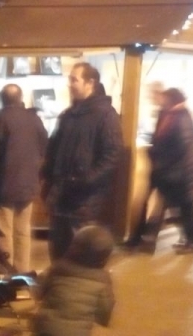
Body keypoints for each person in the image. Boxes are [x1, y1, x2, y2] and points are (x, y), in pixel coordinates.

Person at [42, 63, 122, 260]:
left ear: (90, 83)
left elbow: (112, 154)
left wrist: (86, 180)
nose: (70, 84)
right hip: (61, 195)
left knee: (78, 252)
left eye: (74, 80)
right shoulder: (68, 115)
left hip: (84, 199)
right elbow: (53, 149)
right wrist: (48, 178)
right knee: (58, 252)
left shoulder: (105, 115)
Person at [0, 83, 48, 273]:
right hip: (28, 186)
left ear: (1, 99)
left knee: (3, 233)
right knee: (23, 232)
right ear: (21, 98)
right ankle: (22, 274)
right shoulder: (34, 119)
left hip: (2, 187)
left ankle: (6, 275)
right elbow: (44, 146)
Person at [128, 88, 193, 254]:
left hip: (177, 172)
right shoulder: (168, 115)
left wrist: (158, 155)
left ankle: (149, 240)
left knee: (179, 207)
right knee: (174, 206)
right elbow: (161, 139)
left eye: (163, 98)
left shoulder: (180, 117)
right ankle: (145, 239)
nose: (160, 101)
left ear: (172, 100)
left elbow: (180, 146)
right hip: (167, 170)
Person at [32, 223, 116, 336]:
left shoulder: (57, 268)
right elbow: (105, 307)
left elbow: (37, 290)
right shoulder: (102, 279)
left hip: (46, 328)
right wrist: (103, 320)